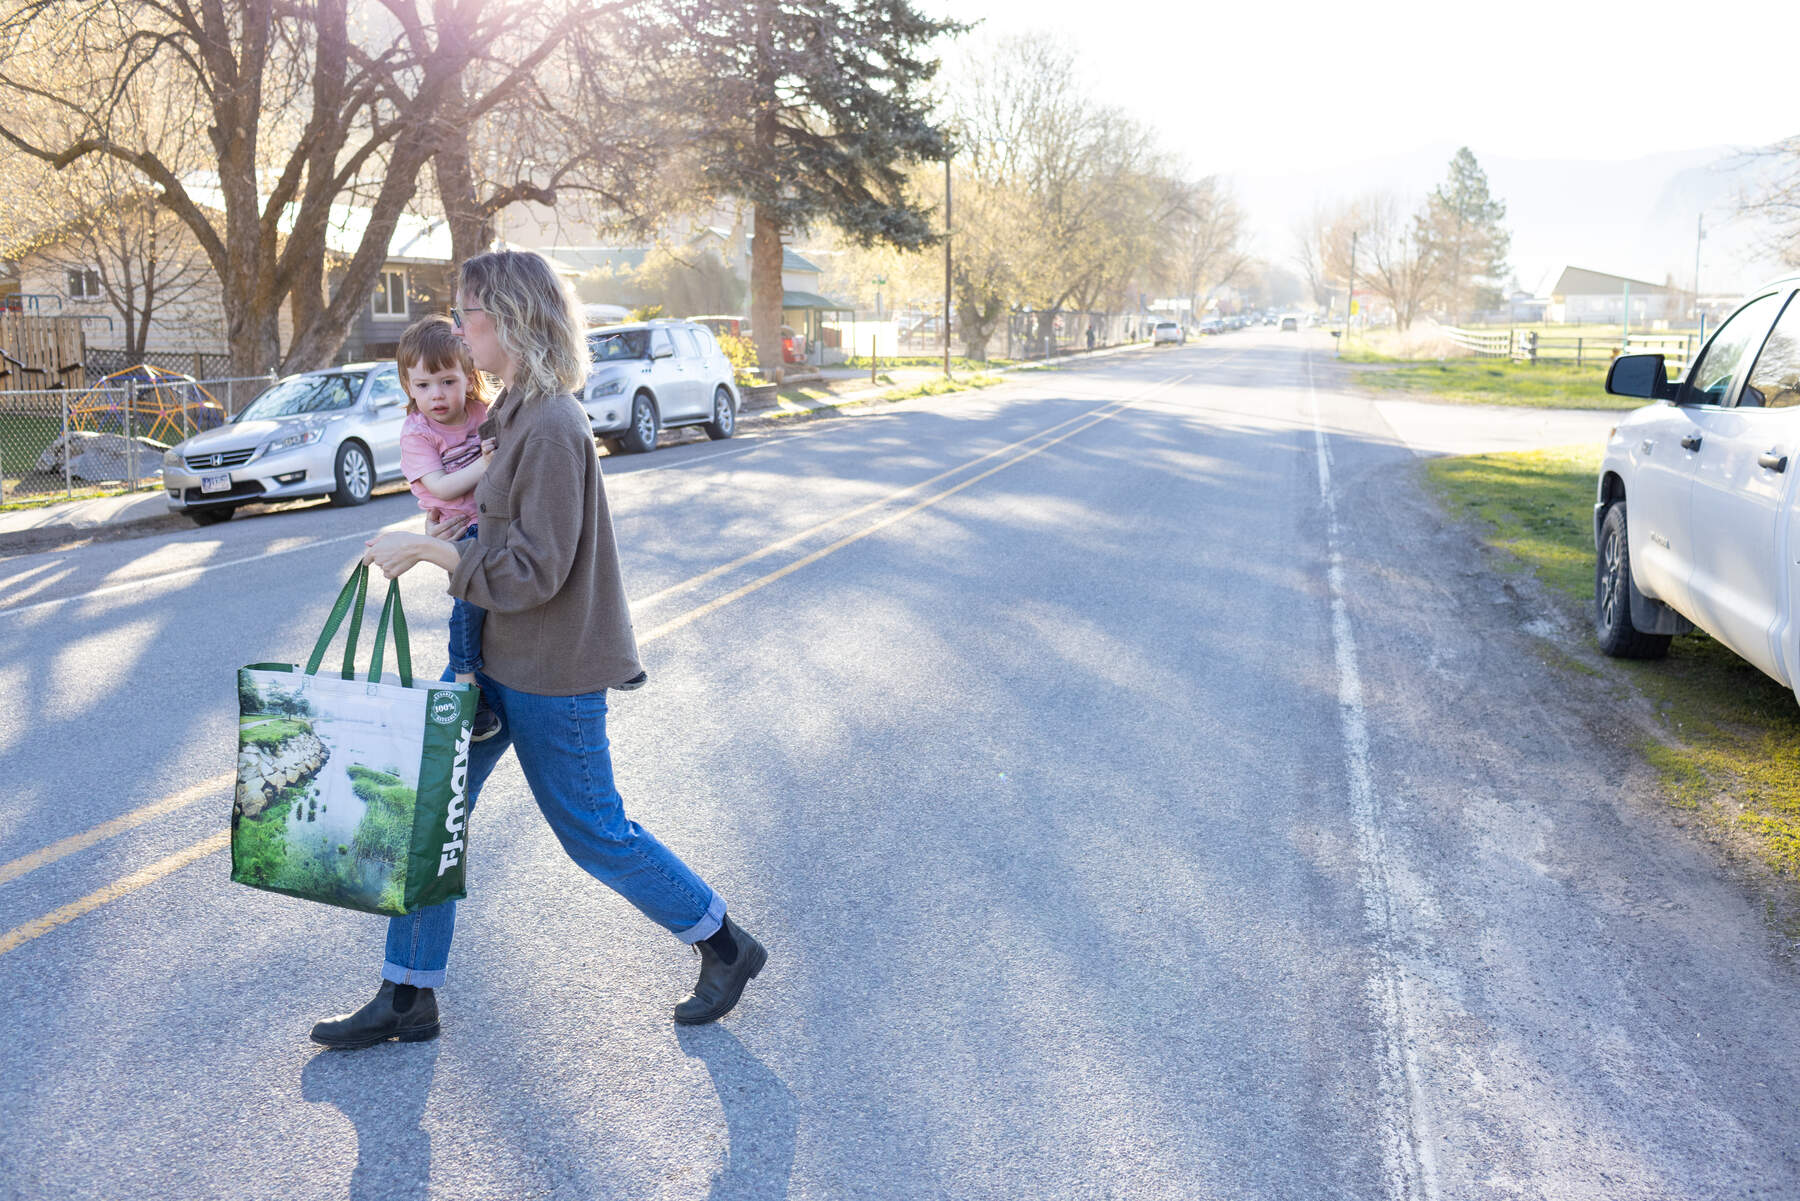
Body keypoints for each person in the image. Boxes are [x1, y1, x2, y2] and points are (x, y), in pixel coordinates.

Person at [311, 250, 767, 1049]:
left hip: (552, 670)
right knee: (430, 814)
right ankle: (409, 993)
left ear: (510, 319)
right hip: (488, 660)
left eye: (468, 315)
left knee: (593, 829)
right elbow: (488, 525)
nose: (458, 330)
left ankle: (724, 943)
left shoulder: (553, 425)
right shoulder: (512, 411)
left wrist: (429, 553)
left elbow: (535, 569)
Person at [395, 315, 501, 742]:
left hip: (492, 520)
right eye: (422, 386)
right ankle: (464, 686)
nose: (435, 395)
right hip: (457, 530)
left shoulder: (481, 412)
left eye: (446, 381)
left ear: (469, 377)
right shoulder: (417, 432)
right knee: (469, 603)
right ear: (407, 386)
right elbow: (438, 484)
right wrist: (485, 463)